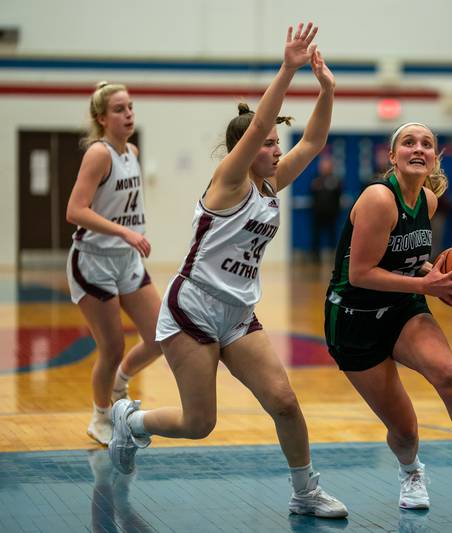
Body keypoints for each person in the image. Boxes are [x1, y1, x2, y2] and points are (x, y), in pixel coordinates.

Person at [107, 23, 348, 519]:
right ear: (244, 149)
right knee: (200, 423)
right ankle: (131, 422)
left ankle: (305, 494)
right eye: (268, 144)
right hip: (193, 307)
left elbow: (317, 139)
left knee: (284, 400)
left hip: (238, 312)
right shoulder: (229, 180)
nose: (276, 148)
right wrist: (287, 68)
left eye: (278, 144)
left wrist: (326, 88)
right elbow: (258, 125)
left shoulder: (270, 184)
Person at [323, 122, 452, 510]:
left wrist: (436, 273)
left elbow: (409, 262)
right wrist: (426, 286)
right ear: (392, 156)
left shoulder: (429, 202)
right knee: (405, 430)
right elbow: (361, 273)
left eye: (427, 144)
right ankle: (411, 472)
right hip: (354, 318)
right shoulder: (378, 199)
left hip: (402, 307)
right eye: (408, 143)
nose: (418, 148)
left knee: (449, 375)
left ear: (435, 157)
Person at [66, 81, 163, 446]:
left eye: (131, 107)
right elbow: (75, 211)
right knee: (112, 347)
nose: (128, 114)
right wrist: (124, 232)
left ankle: (120, 385)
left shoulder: (132, 151)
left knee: (158, 337)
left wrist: (128, 236)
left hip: (127, 259)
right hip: (93, 261)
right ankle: (100, 416)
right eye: (120, 109)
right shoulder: (99, 154)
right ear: (101, 118)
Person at [309, 154, 343, 263]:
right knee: (316, 235)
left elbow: (339, 195)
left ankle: (334, 255)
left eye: (327, 166)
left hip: (332, 213)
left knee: (333, 235)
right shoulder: (316, 180)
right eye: (323, 166)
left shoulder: (336, 180)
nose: (325, 168)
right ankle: (315, 257)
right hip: (318, 213)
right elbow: (312, 194)